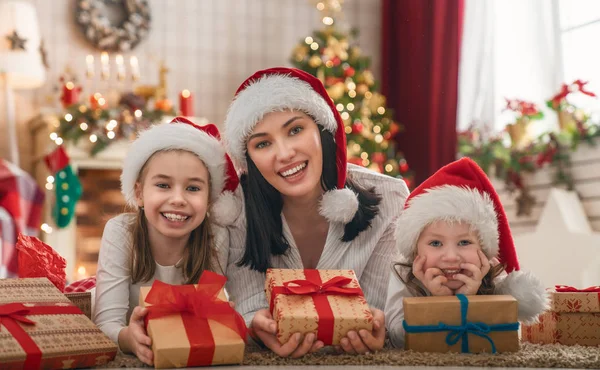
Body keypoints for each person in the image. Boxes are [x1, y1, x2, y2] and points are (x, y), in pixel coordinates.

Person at [222, 67, 409, 357]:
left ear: (322, 130)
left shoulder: (390, 198)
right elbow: (249, 306)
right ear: (250, 160)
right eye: (263, 143)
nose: (284, 154)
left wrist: (375, 328)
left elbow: (378, 307)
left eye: (295, 130)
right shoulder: (234, 210)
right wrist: (255, 326)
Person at [93, 117, 241, 365]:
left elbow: (205, 318)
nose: (177, 199)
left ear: (209, 199)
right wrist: (129, 338)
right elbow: (106, 323)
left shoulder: (217, 238)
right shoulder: (120, 232)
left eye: (193, 189)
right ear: (139, 193)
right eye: (163, 185)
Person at [384, 157, 549, 348]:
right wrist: (439, 300)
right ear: (415, 250)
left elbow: (503, 333)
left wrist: (469, 299)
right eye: (436, 243)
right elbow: (398, 337)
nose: (451, 256)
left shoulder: (491, 272)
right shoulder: (404, 273)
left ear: (483, 251)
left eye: (464, 242)